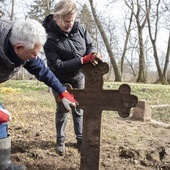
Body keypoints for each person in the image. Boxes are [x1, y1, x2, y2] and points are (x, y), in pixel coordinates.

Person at [0, 18, 78, 170]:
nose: (34, 58)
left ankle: (3, 165)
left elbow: (42, 70)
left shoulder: (22, 43)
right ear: (18, 48)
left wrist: (62, 91)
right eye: (32, 54)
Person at [43, 0, 102, 155]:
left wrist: (93, 54)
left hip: (78, 77)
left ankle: (80, 139)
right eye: (67, 21)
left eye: (73, 20)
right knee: (62, 110)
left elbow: (90, 45)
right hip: (60, 79)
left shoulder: (80, 28)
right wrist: (83, 60)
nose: (70, 24)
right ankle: (60, 141)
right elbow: (57, 65)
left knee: (79, 109)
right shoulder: (48, 37)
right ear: (56, 18)